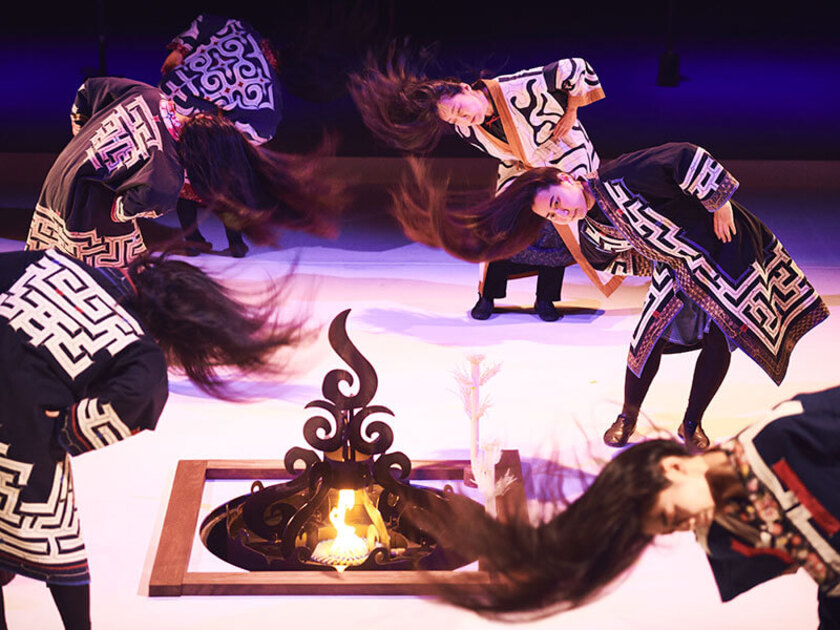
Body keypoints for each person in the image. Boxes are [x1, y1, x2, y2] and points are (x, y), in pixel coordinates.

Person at [390, 143, 829, 449]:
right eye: (553, 214)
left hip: (726, 248)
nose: (563, 212)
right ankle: (628, 415)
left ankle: (692, 422)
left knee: (720, 338)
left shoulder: (622, 175)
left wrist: (720, 202)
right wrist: (645, 259)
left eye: (557, 201)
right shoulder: (593, 228)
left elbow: (684, 156)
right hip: (679, 268)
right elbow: (615, 257)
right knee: (647, 339)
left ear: (566, 178)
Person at [0, 246, 309, 628]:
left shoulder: (52, 261)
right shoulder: (140, 352)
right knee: (57, 536)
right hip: (16, 430)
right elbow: (138, 398)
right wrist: (64, 428)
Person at [409, 384, 840, 628]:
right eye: (673, 527)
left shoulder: (779, 435)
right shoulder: (724, 529)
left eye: (672, 517)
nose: (688, 527)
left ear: (674, 467)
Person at [349, 50, 615, 321]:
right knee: (500, 228)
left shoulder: (517, 86)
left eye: (459, 111)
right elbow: (509, 153)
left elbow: (575, 67)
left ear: (466, 88)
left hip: (565, 163)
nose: (463, 121)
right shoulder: (467, 130)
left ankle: (545, 299)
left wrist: (571, 111)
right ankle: (488, 296)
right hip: (525, 171)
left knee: (559, 232)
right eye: (454, 121)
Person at [27, 77, 340, 268]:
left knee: (45, 270)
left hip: (56, 180)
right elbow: (124, 210)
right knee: (107, 287)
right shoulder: (166, 178)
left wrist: (82, 139)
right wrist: (118, 201)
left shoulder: (149, 94)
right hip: (86, 213)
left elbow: (88, 90)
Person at [159, 13, 286, 258]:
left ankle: (195, 240)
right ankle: (233, 242)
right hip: (234, 127)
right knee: (224, 185)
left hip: (217, 125)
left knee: (193, 179)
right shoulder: (248, 48)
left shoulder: (233, 35)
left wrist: (178, 54)